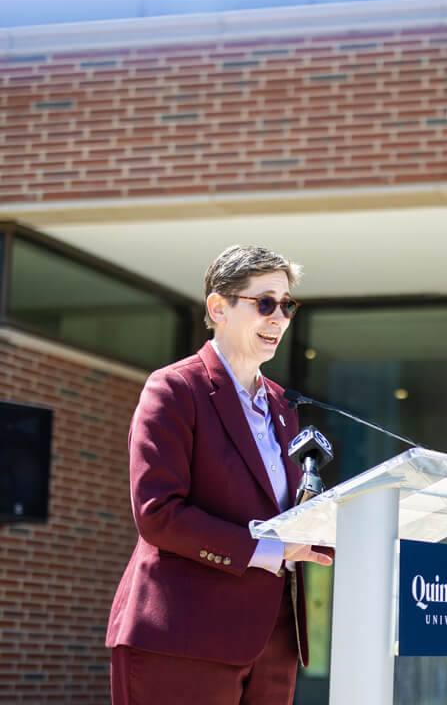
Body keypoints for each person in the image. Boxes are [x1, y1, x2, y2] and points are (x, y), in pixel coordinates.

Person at [106, 245, 334, 704]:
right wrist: (269, 548)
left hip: (274, 643)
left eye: (286, 305)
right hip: (184, 638)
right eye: (265, 303)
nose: (280, 319)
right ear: (218, 308)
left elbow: (280, 515)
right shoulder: (174, 388)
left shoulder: (282, 407)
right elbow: (159, 515)